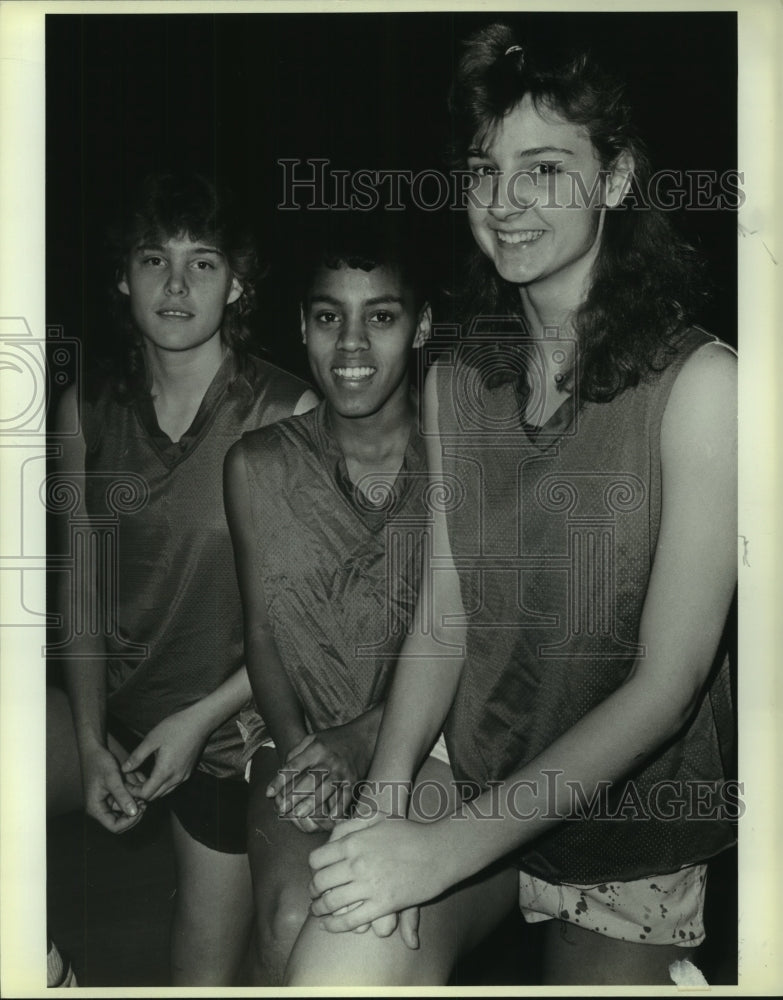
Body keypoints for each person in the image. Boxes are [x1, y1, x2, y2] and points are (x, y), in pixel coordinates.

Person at [290, 23, 737, 986]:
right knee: (333, 965)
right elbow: (445, 621)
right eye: (484, 171)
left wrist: (440, 854)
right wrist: (391, 794)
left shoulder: (702, 386)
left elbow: (667, 687)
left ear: (614, 179)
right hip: (477, 773)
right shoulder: (458, 377)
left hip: (630, 830)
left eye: (543, 168)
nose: (503, 203)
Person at [224, 216, 516, 985]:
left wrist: (363, 743)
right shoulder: (256, 466)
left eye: (379, 317)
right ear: (302, 325)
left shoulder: (462, 456)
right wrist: (299, 752)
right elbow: (260, 630)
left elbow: (473, 641)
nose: (350, 346)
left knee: (362, 924)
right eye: (329, 317)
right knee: (288, 923)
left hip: (433, 747)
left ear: (419, 326)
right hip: (298, 734)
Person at [46, 171, 317, 985]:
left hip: (229, 730)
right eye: (151, 259)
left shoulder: (284, 413)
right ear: (119, 277)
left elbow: (309, 618)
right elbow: (82, 588)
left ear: (237, 283)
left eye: (201, 263)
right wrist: (91, 742)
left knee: (197, 979)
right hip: (114, 713)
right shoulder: (82, 407)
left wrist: (199, 720)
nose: (173, 284)